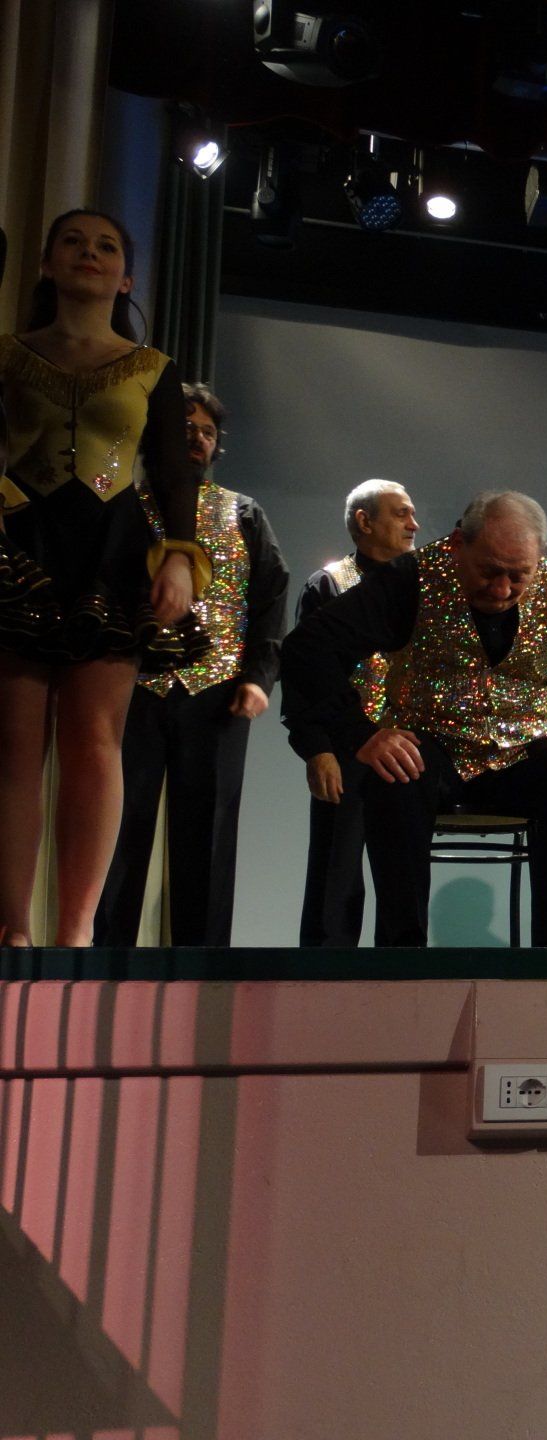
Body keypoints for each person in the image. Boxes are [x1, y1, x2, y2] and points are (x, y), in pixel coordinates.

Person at [280, 491, 547, 946]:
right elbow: (308, 648)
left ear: (539, 558)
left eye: (518, 575)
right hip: (432, 750)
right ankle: (402, 954)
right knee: (393, 773)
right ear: (458, 544)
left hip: (526, 754)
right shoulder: (411, 579)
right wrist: (358, 733)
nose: (502, 589)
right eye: (489, 571)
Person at [0, 209, 206, 946]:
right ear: (47, 264)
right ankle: (12, 927)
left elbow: (174, 471)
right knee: (15, 746)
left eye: (106, 246)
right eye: (73, 242)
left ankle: (76, 930)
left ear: (126, 278)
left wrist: (179, 556)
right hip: (20, 545)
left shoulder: (152, 367)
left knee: (94, 741)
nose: (89, 253)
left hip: (112, 551)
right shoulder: (8, 354)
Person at [96, 383, 289, 945]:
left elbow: (271, 599)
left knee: (208, 835)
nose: (198, 439)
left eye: (207, 431)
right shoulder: (124, 508)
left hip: (217, 692)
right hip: (132, 687)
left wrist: (258, 678)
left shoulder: (244, 512)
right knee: (120, 826)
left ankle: (203, 967)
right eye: (185, 429)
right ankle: (110, 959)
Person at [288, 479, 419, 946]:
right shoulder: (328, 583)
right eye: (401, 513)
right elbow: (304, 675)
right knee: (335, 873)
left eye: (412, 514)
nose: (414, 524)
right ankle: (324, 975)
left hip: (410, 751)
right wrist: (317, 750)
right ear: (364, 521)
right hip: (346, 748)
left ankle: (401, 972)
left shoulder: (424, 588)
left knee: (402, 874)